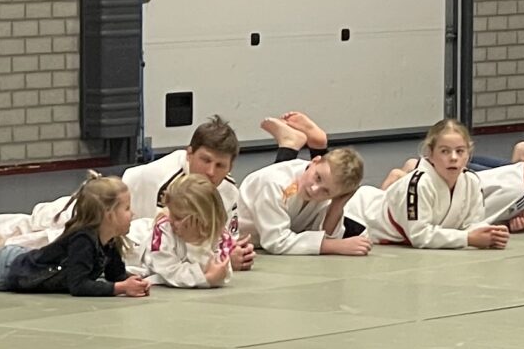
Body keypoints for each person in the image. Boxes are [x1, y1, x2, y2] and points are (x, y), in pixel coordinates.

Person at [0, 175, 148, 297]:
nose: (133, 214)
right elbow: (79, 285)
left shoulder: (109, 241)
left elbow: (115, 275)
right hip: (6, 268)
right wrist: (121, 288)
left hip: (20, 260)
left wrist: (133, 281)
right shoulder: (84, 239)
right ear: (109, 214)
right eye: (127, 208)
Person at [343, 120, 508, 249]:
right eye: (444, 151)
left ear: (468, 153)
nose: (453, 158)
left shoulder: (471, 181)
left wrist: (491, 233)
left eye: (460, 151)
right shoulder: (419, 183)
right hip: (358, 215)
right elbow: (419, 235)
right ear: (430, 153)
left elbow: (472, 223)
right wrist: (468, 239)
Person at [125, 117, 254, 269]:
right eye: (205, 160)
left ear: (230, 167)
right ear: (189, 153)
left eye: (220, 165)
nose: (211, 172)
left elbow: (222, 240)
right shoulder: (165, 183)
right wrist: (222, 260)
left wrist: (234, 252)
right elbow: (163, 249)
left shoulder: (229, 190)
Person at [237, 147, 370, 257]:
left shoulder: (327, 194)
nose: (314, 189)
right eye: (318, 177)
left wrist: (337, 205)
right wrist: (334, 246)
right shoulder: (274, 182)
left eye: (326, 191)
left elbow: (325, 235)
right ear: (315, 161)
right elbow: (276, 241)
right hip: (234, 243)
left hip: (256, 247)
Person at [136, 174, 240, 289]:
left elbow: (220, 271)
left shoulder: (221, 235)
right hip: (135, 241)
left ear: (202, 220)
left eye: (178, 218)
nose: (171, 220)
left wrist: (195, 243)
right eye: (170, 212)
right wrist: (205, 279)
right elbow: (169, 272)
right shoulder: (163, 230)